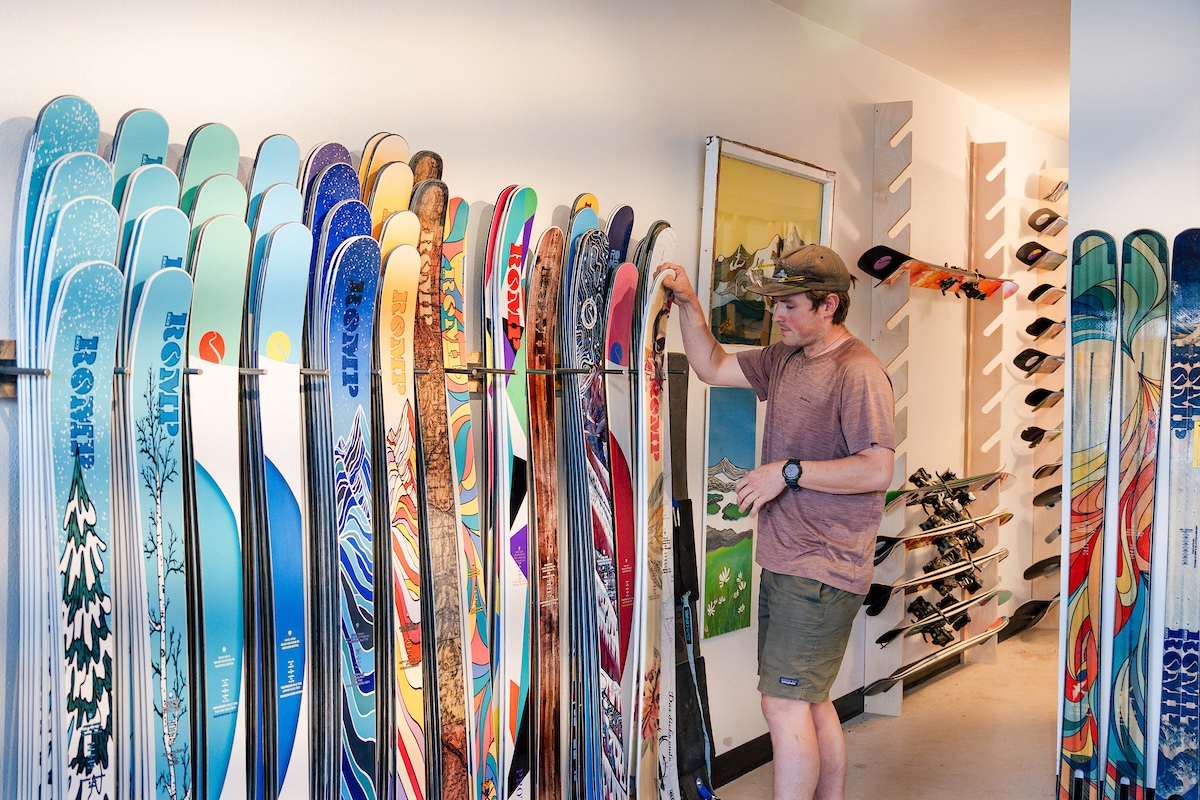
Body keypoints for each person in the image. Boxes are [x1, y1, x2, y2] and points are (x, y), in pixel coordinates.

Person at [660, 244, 895, 800]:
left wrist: (786, 473)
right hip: (789, 559)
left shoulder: (857, 371)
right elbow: (712, 365)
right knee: (809, 701)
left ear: (829, 304)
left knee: (783, 703)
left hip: (822, 565)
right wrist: (691, 304)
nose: (777, 317)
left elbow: (876, 468)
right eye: (774, 304)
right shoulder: (787, 358)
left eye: (789, 305)